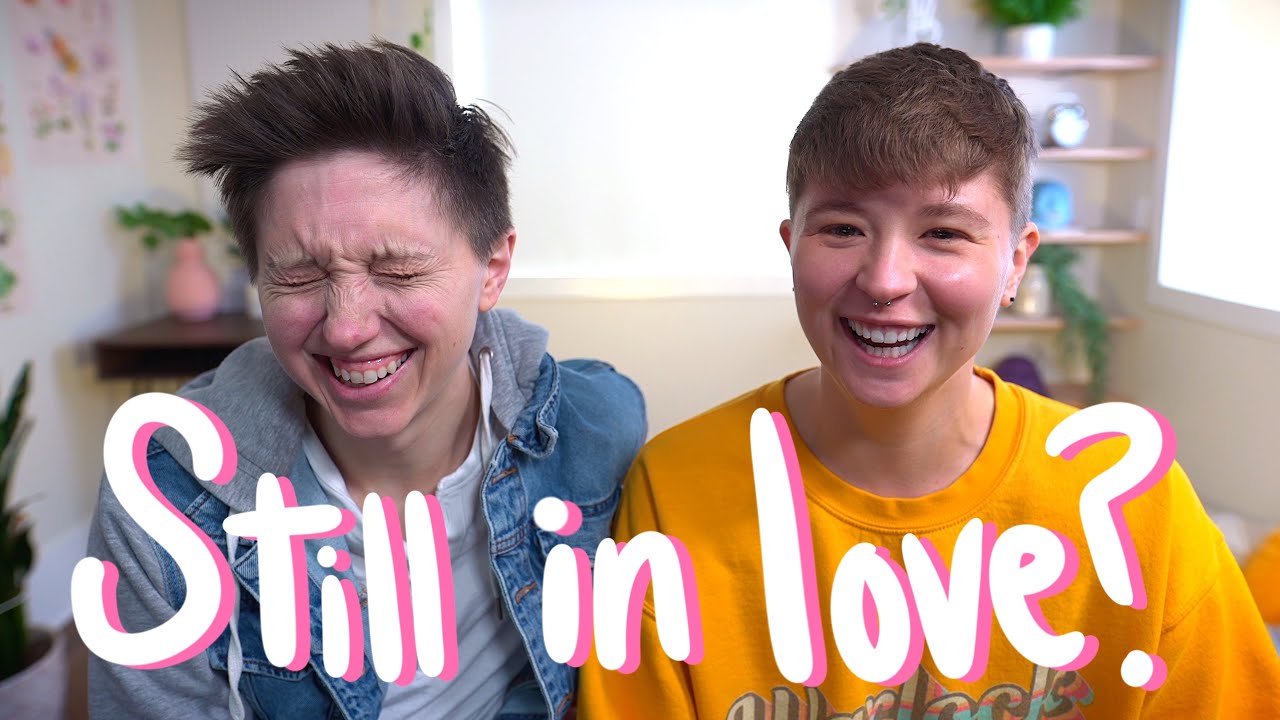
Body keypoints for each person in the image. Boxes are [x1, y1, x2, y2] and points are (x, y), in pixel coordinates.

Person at [577, 43, 1280, 717]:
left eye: (944, 233)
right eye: (843, 229)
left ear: (1015, 263)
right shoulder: (674, 490)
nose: (885, 280)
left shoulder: (1134, 500)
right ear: (792, 247)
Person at [87, 41, 646, 719]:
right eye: (299, 276)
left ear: (493, 270)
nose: (347, 328)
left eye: (400, 271)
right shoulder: (165, 496)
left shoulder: (593, 431)